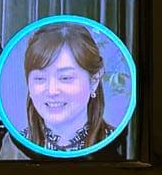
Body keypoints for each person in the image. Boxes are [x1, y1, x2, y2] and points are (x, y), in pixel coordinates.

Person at [21, 22, 115, 151]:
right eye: (40, 78)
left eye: (65, 78)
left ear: (94, 80)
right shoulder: (14, 146)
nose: (52, 91)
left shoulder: (119, 144)